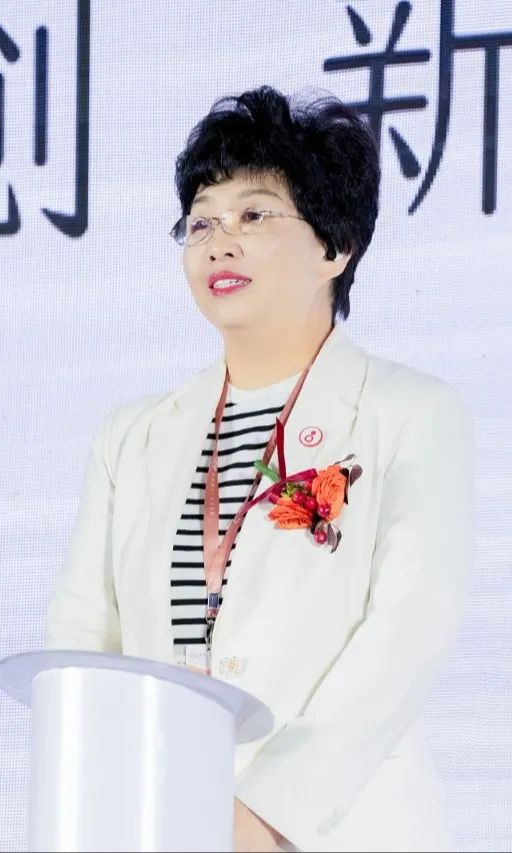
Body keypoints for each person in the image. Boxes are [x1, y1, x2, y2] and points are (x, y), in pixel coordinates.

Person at [43, 85, 474, 852]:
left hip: (339, 829)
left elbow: (409, 630)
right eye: (201, 222)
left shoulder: (410, 412)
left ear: (335, 247)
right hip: (160, 822)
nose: (219, 242)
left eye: (254, 215)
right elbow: (83, 641)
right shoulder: (132, 436)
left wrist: (268, 812)